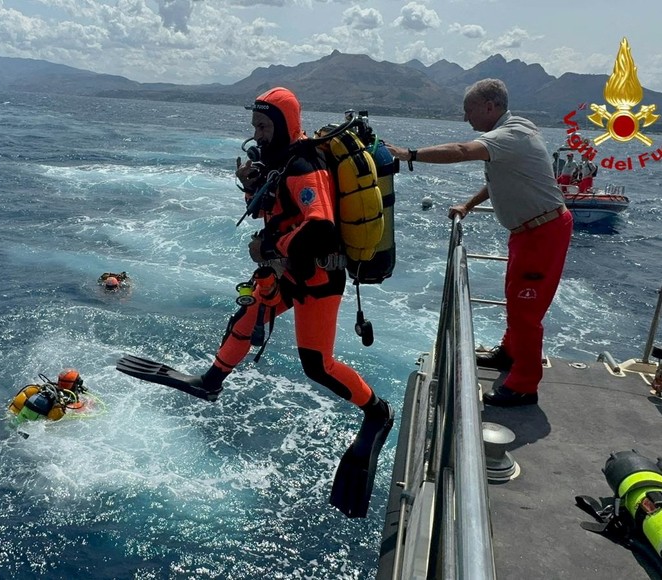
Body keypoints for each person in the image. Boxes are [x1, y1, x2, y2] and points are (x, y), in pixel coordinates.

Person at [116, 87, 393, 518]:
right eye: (255, 128)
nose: (258, 135)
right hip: (286, 270)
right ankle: (211, 380)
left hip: (317, 275)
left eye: (265, 127)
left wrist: (269, 244)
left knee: (316, 365)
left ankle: (377, 412)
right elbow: (275, 208)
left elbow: (318, 227)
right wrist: (251, 188)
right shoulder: (279, 161)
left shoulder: (302, 163)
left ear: (284, 125)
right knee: (249, 312)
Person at [387, 78, 573, 407]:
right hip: (530, 231)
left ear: (489, 107)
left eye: (468, 110)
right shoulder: (516, 130)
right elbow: (505, 178)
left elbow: (461, 151)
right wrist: (469, 205)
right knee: (516, 301)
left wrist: (408, 154)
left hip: (543, 233)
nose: (465, 119)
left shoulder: (510, 135)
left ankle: (524, 385)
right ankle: (509, 353)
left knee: (526, 311)